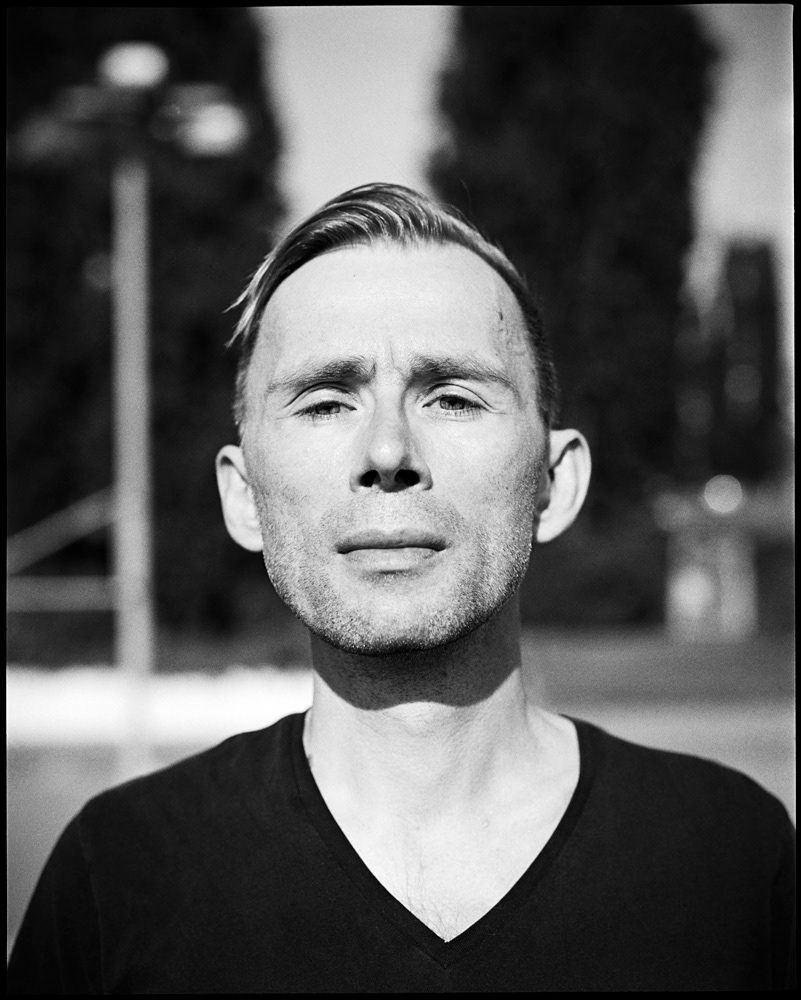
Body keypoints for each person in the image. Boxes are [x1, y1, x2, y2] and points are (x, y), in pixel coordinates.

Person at [8, 184, 795, 993]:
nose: (387, 451)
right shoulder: (116, 878)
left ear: (554, 482)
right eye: (325, 403)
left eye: (452, 397)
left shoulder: (733, 860)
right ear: (243, 497)